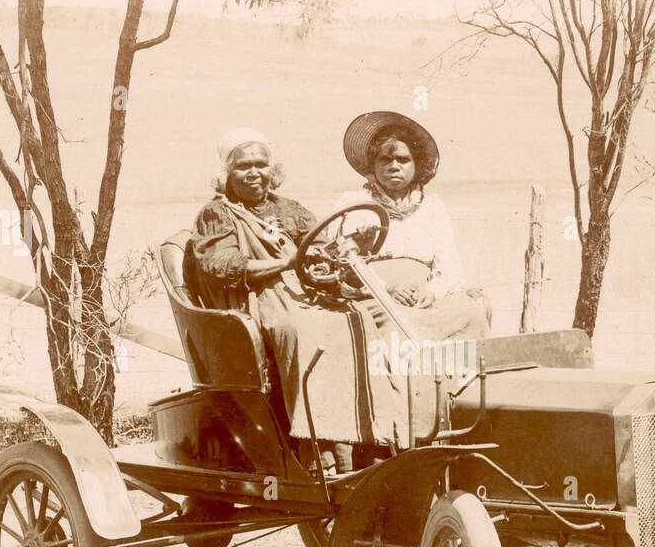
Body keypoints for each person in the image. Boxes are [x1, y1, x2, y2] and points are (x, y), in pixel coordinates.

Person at [183, 127, 323, 424]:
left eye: (261, 164)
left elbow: (320, 244)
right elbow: (223, 267)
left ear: (273, 169)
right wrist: (286, 263)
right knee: (291, 329)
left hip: (297, 294)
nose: (254, 173)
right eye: (243, 166)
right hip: (251, 301)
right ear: (226, 172)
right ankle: (309, 434)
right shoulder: (216, 213)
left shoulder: (290, 208)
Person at [333, 111, 490, 344]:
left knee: (472, 315)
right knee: (399, 327)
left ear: (417, 165)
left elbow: (449, 262)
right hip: (376, 295)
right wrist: (388, 288)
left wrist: (432, 292)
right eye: (385, 160)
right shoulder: (354, 203)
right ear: (373, 166)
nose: (394, 166)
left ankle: (454, 370)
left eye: (403, 160)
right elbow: (345, 262)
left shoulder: (432, 207)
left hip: (426, 296)